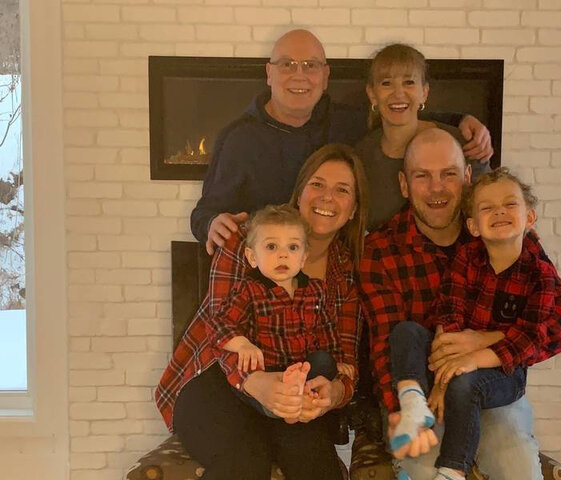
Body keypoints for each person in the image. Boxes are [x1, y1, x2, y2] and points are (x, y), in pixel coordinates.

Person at [358, 128, 561, 480]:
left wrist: (486, 342)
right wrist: (398, 409)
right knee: (422, 467)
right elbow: (387, 343)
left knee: (517, 466)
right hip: (423, 395)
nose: (436, 188)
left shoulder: (506, 233)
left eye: (448, 174)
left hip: (492, 386)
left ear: (466, 177)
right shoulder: (380, 250)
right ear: (404, 184)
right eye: (422, 176)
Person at [155, 143, 368, 480]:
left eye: (342, 190)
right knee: (245, 461)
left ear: (353, 209)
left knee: (317, 466)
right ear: (299, 193)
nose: (327, 197)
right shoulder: (246, 239)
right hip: (216, 378)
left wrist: (334, 393)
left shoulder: (343, 271)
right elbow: (217, 324)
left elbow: (344, 359)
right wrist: (254, 381)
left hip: (292, 388)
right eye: (317, 184)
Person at [190, 29, 494, 254]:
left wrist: (461, 120)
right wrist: (212, 223)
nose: (299, 75)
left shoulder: (347, 121)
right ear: (269, 73)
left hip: (331, 260)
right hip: (267, 264)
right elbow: (204, 213)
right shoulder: (238, 138)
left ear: (325, 76)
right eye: (287, 64)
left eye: (310, 65)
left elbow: (398, 111)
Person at [213, 204, 352, 418]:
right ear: (252, 257)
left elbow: (327, 331)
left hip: (304, 368)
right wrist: (242, 344)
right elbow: (219, 323)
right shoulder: (248, 289)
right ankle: (284, 403)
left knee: (324, 361)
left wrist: (338, 360)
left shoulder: (316, 290)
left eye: (293, 247)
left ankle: (300, 398)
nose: (283, 255)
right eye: (271, 247)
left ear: (304, 257)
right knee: (250, 371)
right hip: (268, 371)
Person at [356, 43, 492, 231]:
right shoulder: (362, 155)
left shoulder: (461, 144)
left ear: (424, 92)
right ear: (372, 94)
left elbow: (491, 204)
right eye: (386, 83)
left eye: (409, 82)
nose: (398, 93)